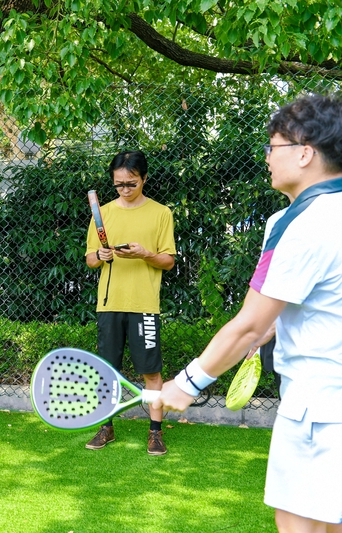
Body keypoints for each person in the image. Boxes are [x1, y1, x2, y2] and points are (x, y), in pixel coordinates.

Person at [154, 94, 342, 532]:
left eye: (272, 147)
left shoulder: (299, 224)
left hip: (321, 411)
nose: (267, 158)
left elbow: (250, 324)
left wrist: (187, 383)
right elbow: (283, 316)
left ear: (304, 151)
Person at [84, 150, 176, 455]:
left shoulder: (161, 213)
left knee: (150, 372)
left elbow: (168, 261)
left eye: (131, 183)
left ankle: (155, 432)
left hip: (145, 305)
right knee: (107, 371)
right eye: (119, 184)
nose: (124, 188)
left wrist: (145, 254)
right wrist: (101, 255)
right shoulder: (104, 212)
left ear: (144, 179)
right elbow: (89, 259)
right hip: (109, 305)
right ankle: (107, 427)